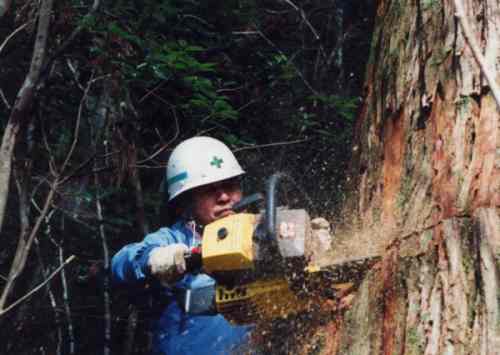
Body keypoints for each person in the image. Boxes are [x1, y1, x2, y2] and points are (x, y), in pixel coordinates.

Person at [111, 136, 253, 355]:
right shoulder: (174, 240)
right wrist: (156, 259)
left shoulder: (258, 233)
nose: (224, 196)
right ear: (188, 199)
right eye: (209, 189)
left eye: (230, 185)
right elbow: (121, 263)